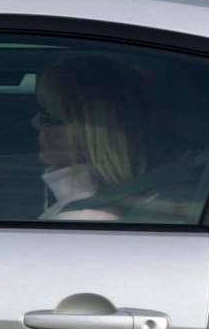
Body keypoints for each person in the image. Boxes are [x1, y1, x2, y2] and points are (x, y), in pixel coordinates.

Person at [31, 52, 156, 221]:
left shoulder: (80, 219)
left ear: (90, 131)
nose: (35, 122)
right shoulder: (93, 204)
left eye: (49, 118)